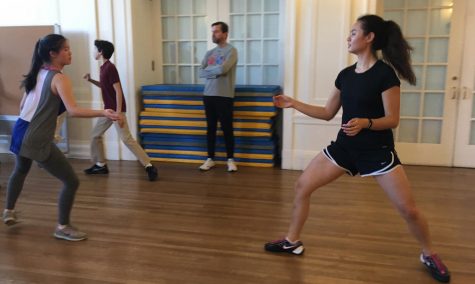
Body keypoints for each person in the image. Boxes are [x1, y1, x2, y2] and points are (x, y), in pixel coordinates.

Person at [264, 15, 451, 283]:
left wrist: (367, 122)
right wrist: (294, 103)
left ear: (369, 37)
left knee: (408, 210)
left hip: (377, 151)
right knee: (302, 186)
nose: (348, 38)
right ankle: (292, 241)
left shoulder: (385, 75)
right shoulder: (345, 75)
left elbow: (392, 119)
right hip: (345, 148)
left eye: (353, 33)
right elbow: (328, 112)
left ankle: (429, 253)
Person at [3, 34, 120, 241]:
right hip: (36, 137)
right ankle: (63, 227)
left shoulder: (37, 72)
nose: (70, 52)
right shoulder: (60, 79)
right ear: (53, 54)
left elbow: (23, 106)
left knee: (20, 170)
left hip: (20, 130)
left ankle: (8, 211)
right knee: (71, 181)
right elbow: (73, 111)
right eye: (65, 49)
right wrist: (103, 112)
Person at [83, 40, 158, 181]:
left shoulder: (110, 68)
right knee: (95, 135)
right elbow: (105, 87)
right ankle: (101, 165)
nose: (93, 51)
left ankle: (149, 166)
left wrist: (118, 113)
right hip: (108, 111)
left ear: (101, 52)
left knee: (127, 139)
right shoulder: (103, 68)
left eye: (95, 49)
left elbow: (118, 91)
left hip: (115, 111)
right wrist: (91, 80)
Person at [198, 22, 238, 172]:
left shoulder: (232, 51)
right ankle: (210, 159)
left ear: (225, 34)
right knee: (211, 128)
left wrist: (211, 70)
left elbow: (224, 68)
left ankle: (230, 160)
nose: (213, 34)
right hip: (208, 95)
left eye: (216, 32)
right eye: (212, 31)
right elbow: (201, 72)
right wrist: (216, 70)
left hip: (225, 96)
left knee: (227, 128)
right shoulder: (210, 53)